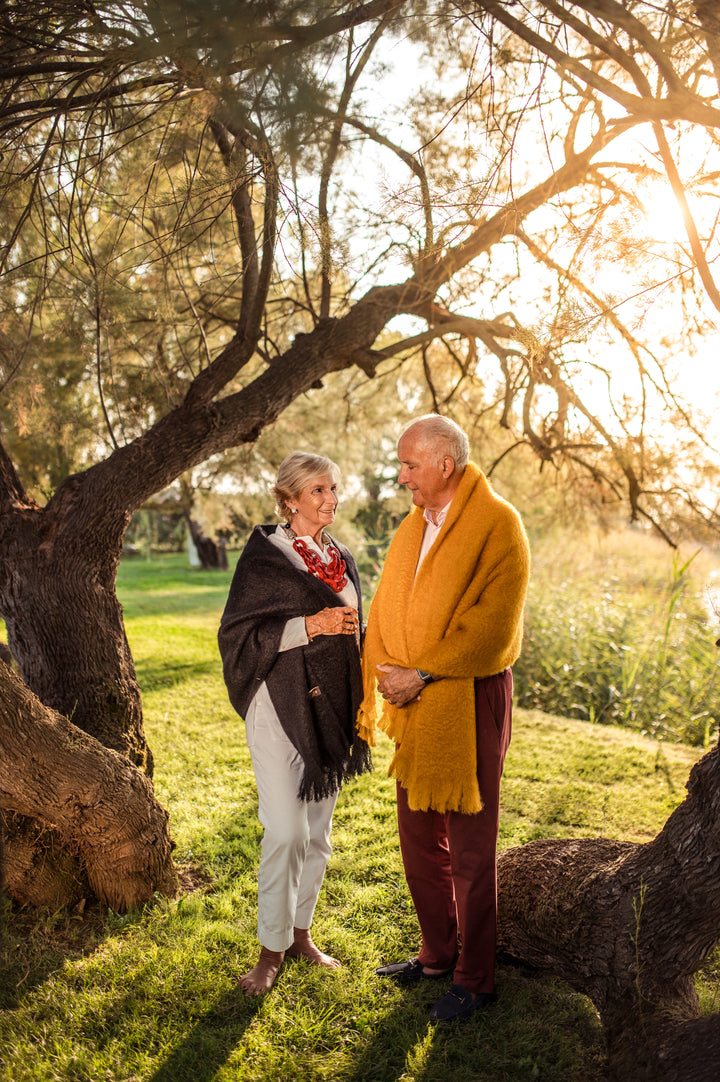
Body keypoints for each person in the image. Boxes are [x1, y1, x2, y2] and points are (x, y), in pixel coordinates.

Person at [356, 415, 530, 1022]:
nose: (401, 476)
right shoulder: (413, 526)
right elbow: (386, 605)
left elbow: (493, 628)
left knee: (472, 847)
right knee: (417, 835)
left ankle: (476, 979)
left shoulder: (498, 524)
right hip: (414, 700)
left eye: (409, 465)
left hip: (470, 695)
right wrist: (387, 672)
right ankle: (435, 956)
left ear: (444, 465)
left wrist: (422, 673)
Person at [219, 451, 372, 995]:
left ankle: (301, 934)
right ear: (289, 500)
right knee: (284, 832)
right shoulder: (265, 559)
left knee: (316, 835)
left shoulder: (341, 557)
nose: (331, 499)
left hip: (329, 708)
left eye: (334, 488)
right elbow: (238, 637)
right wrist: (310, 624)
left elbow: (357, 629)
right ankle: (269, 951)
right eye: (318, 492)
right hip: (277, 706)